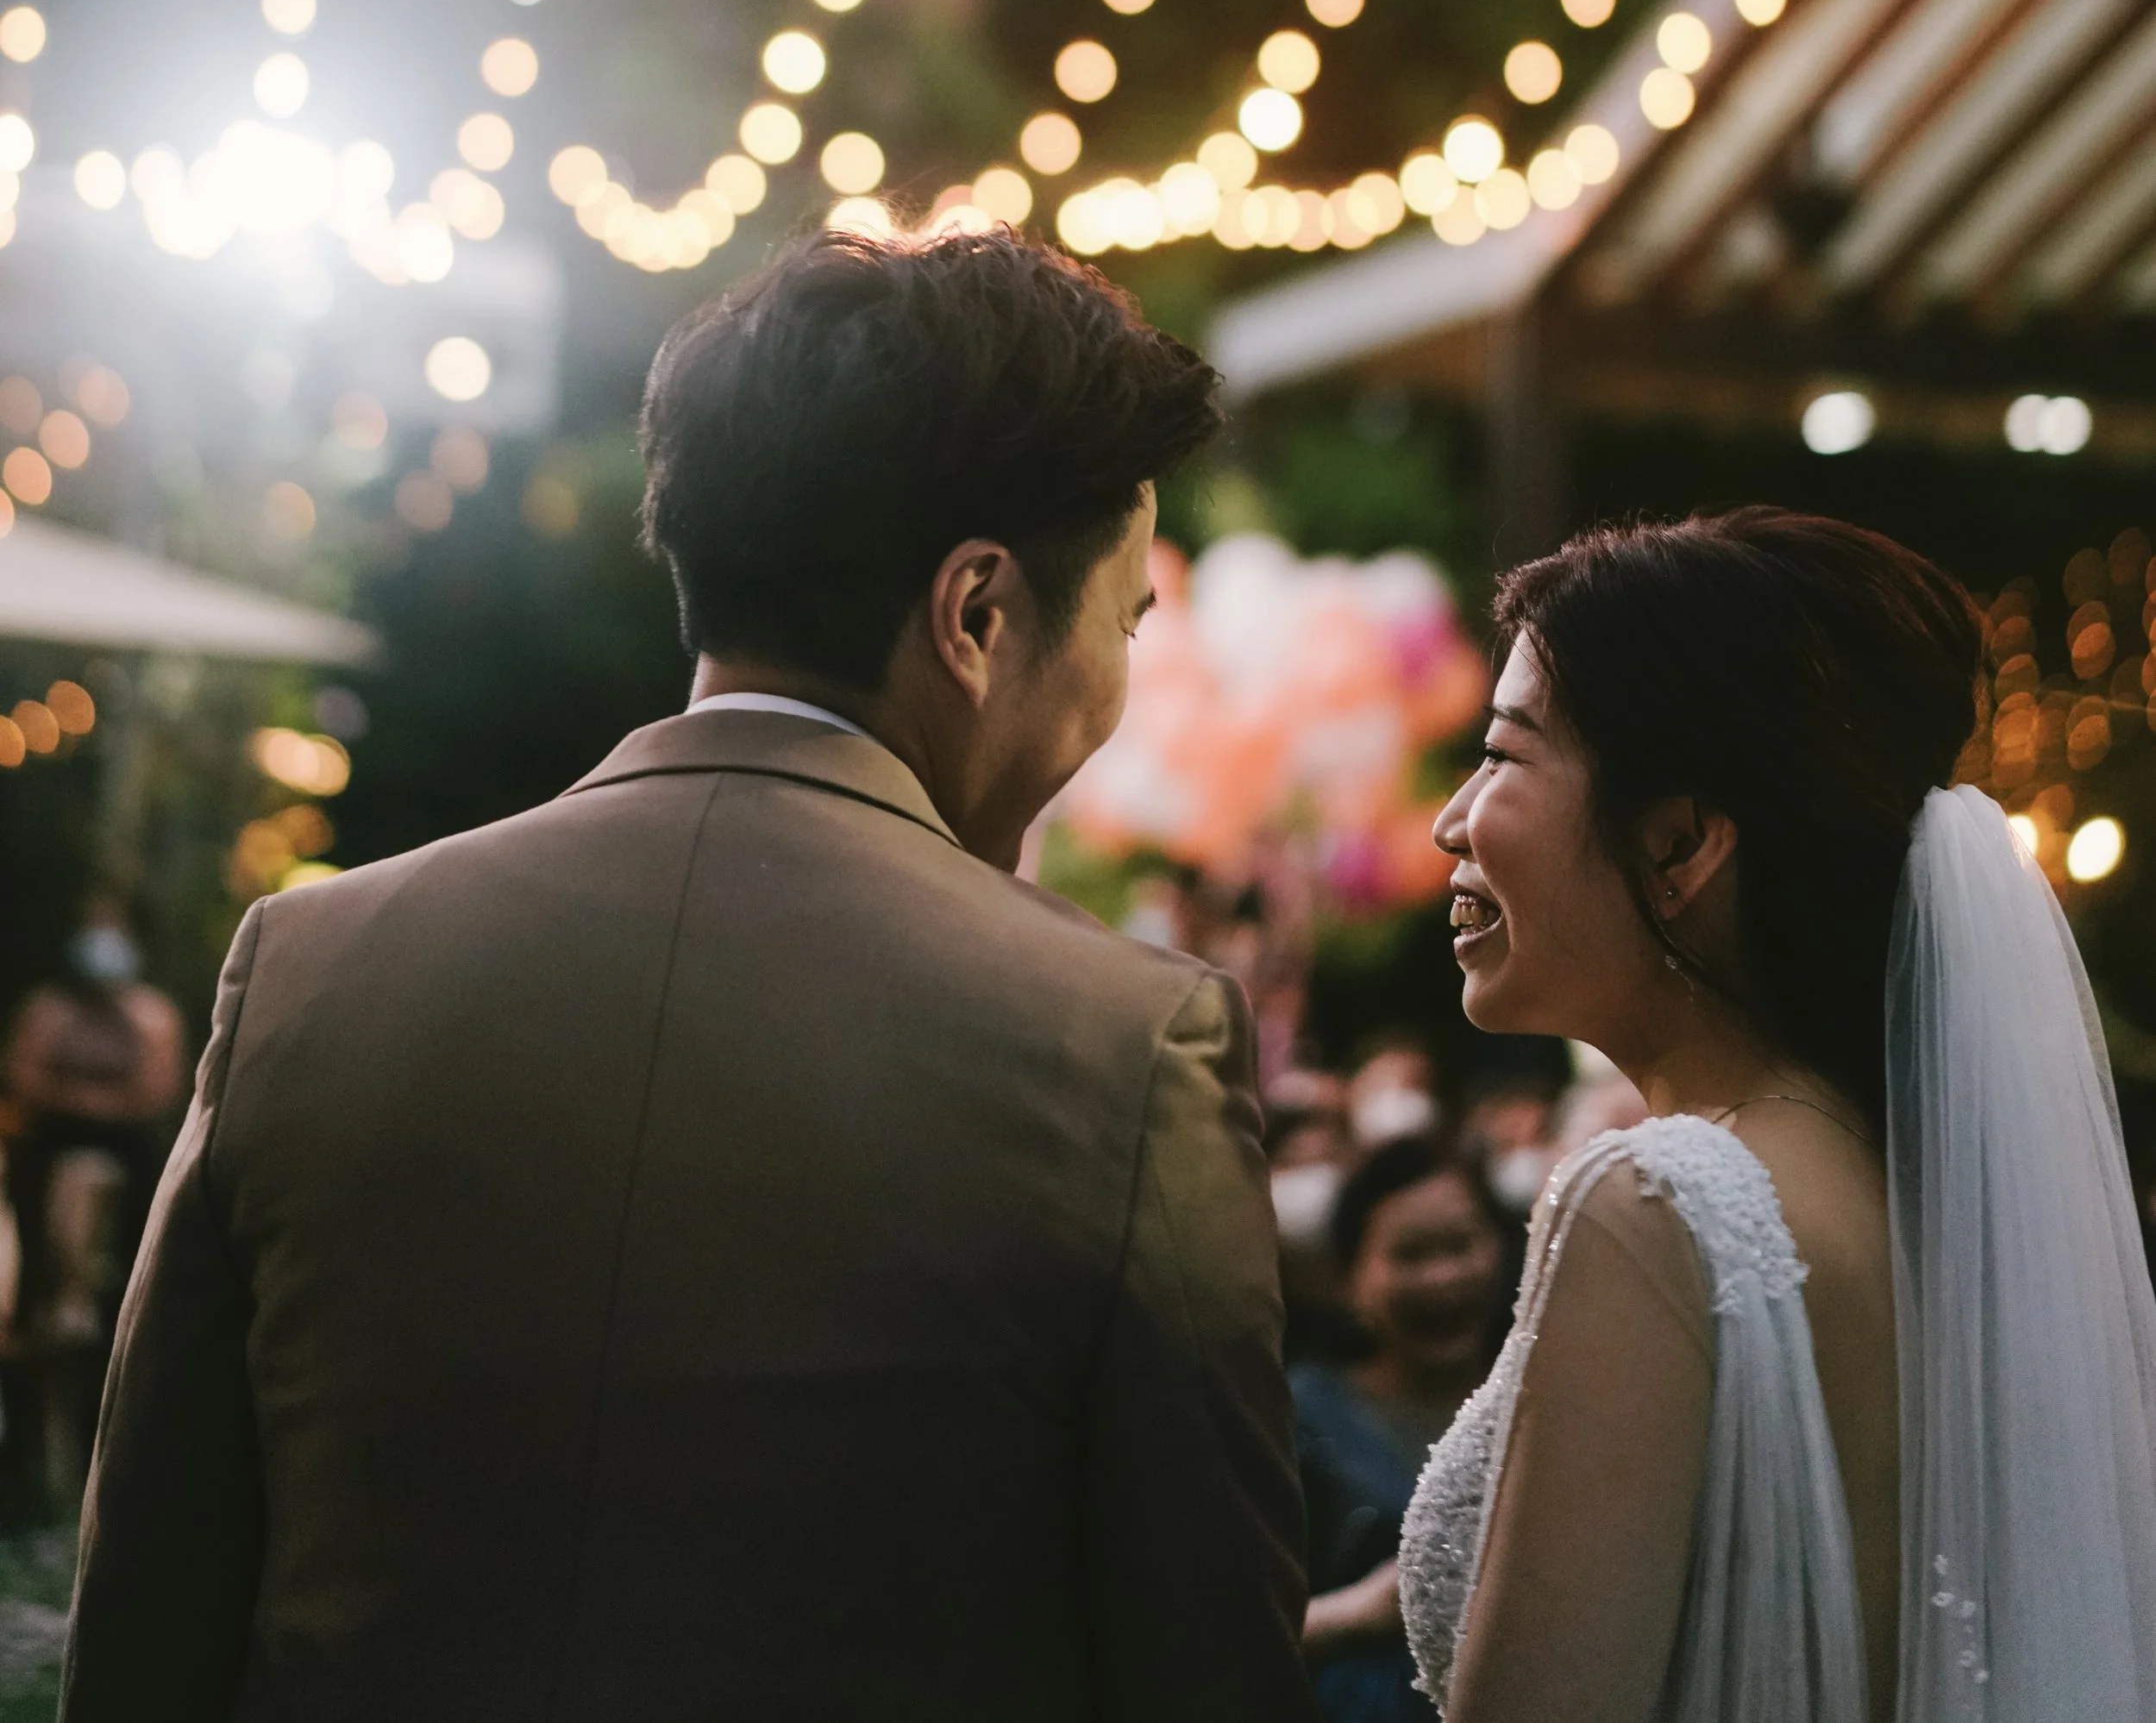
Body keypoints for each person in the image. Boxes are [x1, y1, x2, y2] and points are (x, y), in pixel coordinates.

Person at [62, 229, 1315, 1723]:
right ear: (976, 615)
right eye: (1125, 621)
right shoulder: (1128, 1046)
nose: (1118, 681)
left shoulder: (311, 965)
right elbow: (1210, 1672)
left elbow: (144, 1624)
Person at [1398, 508, 2156, 1723]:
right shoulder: (1921, 1197)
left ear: (1680, 842)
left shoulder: (1652, 1209)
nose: (1452, 821)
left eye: (1502, 753)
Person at [1296, 1131, 1513, 1721]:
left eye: (1462, 1244)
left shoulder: (1551, 1402)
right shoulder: (1301, 1414)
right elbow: (1223, 1637)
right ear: (1350, 1277)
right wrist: (1360, 1615)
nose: (1444, 1276)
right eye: (1411, 1254)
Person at [4, 899, 184, 1344]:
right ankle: (30, 1299)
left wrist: (97, 1103)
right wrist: (79, 1101)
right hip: (56, 1128)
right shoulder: (49, 1009)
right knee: (25, 1183)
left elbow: (161, 1087)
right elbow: (22, 1073)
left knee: (159, 1193)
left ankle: (132, 1303)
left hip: (125, 1133)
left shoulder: (150, 1014)